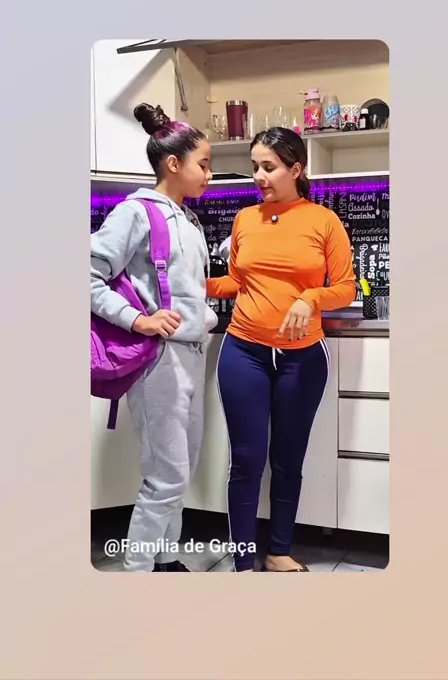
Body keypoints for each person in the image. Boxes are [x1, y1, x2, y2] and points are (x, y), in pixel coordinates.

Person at [206, 127, 356, 572]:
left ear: (296, 168)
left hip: (302, 358)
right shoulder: (244, 219)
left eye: (268, 167)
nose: (259, 176)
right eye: (255, 166)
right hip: (244, 351)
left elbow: (345, 287)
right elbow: (236, 282)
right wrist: (194, 283)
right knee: (246, 459)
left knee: (288, 459)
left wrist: (310, 298)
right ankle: (243, 562)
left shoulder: (324, 221)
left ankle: (279, 552)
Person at [91, 103, 217, 572]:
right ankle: (138, 574)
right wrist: (136, 320)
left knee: (181, 469)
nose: (209, 174)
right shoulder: (136, 213)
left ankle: (166, 561)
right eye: (204, 164)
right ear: (174, 164)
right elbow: (87, 275)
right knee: (166, 477)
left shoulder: (188, 219)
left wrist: (202, 315)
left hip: (191, 353)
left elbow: (188, 289)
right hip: (159, 358)